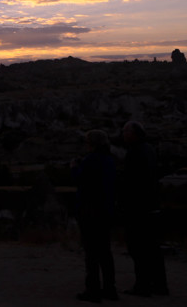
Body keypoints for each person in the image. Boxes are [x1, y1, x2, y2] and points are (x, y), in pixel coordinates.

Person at [120, 121, 169, 296]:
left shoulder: (135, 153)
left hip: (138, 210)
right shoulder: (148, 150)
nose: (123, 134)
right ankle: (159, 285)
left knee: (139, 249)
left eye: (126, 131)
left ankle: (143, 286)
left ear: (134, 134)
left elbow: (131, 183)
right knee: (153, 250)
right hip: (151, 206)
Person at [72, 129, 118, 302]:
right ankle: (109, 288)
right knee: (105, 252)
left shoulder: (91, 160)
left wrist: (74, 168)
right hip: (105, 211)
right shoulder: (109, 160)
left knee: (91, 253)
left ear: (91, 144)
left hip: (90, 212)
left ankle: (93, 290)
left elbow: (80, 179)